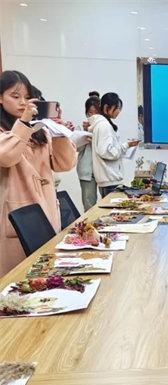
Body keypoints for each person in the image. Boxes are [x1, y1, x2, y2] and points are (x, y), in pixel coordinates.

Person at [0, 70, 77, 277]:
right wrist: (24, 123)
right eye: (15, 96)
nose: (22, 102)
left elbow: (64, 164)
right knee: (19, 277)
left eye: (27, 97)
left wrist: (58, 132)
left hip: (47, 209)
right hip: (17, 215)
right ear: (0, 98)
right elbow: (7, 157)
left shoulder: (39, 129)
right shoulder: (8, 130)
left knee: (47, 273)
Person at [89, 92, 139, 198]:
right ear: (106, 107)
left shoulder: (105, 124)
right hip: (109, 179)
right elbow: (106, 152)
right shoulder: (104, 126)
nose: (118, 111)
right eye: (116, 108)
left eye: (119, 108)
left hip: (108, 179)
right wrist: (126, 145)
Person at [76, 93, 101, 211]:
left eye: (96, 112)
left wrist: (96, 136)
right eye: (90, 112)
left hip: (103, 171)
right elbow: (77, 148)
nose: (93, 115)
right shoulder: (81, 127)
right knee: (89, 206)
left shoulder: (105, 127)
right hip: (87, 171)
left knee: (108, 202)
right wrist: (85, 133)